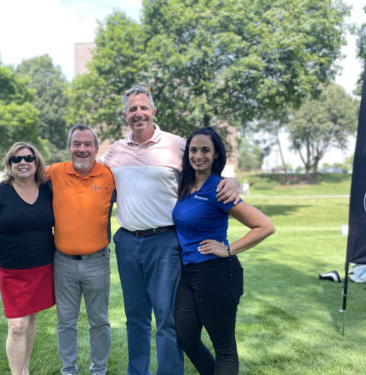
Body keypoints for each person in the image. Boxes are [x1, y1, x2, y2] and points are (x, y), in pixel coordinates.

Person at [98, 85, 238, 375]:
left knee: (166, 318)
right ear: (125, 116)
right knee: (135, 317)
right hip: (127, 242)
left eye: (143, 108)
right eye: (132, 109)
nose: (138, 114)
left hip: (164, 241)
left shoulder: (176, 144)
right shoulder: (115, 150)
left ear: (153, 111)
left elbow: (207, 162)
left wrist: (231, 179)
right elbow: (90, 178)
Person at [172, 127, 275, 374]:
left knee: (225, 349)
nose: (198, 155)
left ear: (216, 154)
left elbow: (265, 226)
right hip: (187, 274)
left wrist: (229, 249)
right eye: (193, 150)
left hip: (216, 274)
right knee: (185, 336)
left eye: (205, 150)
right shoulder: (185, 185)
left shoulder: (220, 190)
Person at [0, 142, 55, 375]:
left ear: (36, 162)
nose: (23, 162)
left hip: (42, 266)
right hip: (11, 269)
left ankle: (24, 369)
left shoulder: (47, 189)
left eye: (29, 158)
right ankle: (17, 372)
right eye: (16, 159)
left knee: (30, 320)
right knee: (17, 324)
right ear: (9, 164)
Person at [48, 124, 115, 375]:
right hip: (63, 262)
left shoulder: (109, 175)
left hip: (98, 262)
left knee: (99, 321)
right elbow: (24, 172)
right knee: (66, 322)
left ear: (97, 148)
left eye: (87, 144)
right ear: (69, 148)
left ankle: (99, 370)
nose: (82, 149)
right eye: (77, 144)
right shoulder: (55, 172)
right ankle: (69, 370)